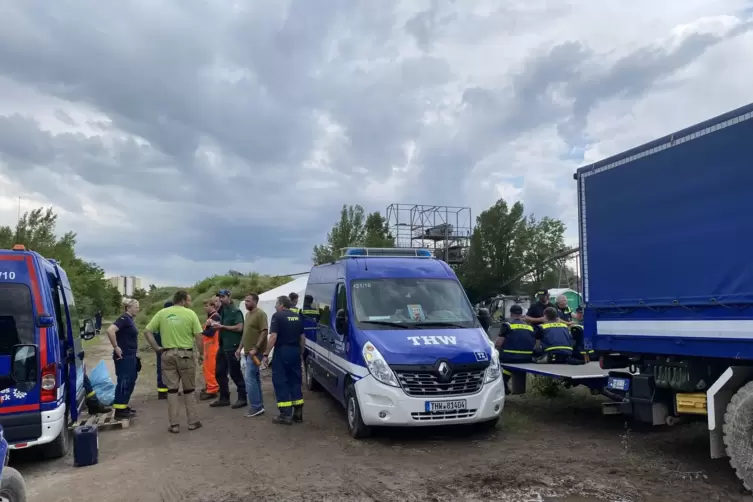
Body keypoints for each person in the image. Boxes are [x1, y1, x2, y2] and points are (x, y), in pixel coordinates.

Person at [144, 290, 205, 433]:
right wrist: (201, 354)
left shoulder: (162, 313)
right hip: (186, 355)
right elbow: (198, 336)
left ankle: (174, 425)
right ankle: (192, 422)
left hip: (167, 354)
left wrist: (157, 348)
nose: (190, 303)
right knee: (189, 390)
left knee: (171, 391)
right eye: (189, 300)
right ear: (183, 301)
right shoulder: (190, 314)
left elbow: (147, 331)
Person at [261, 295, 304, 425]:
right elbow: (302, 338)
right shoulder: (297, 316)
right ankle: (298, 413)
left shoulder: (277, 316)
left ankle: (285, 415)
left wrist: (266, 354)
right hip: (295, 351)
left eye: (276, 304)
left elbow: (273, 337)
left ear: (281, 305)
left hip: (282, 352)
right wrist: (300, 353)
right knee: (295, 380)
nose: (275, 306)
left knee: (281, 381)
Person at [209, 289, 247, 409]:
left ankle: (242, 398)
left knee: (235, 373)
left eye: (223, 296)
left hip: (233, 345)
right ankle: (224, 398)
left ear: (229, 296)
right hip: (223, 345)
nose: (221, 299)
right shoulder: (223, 310)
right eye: (220, 296)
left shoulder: (235, 311)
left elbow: (240, 328)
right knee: (219, 372)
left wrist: (222, 326)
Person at [106, 299, 141, 420]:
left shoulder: (130, 320)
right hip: (124, 356)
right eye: (136, 307)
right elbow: (110, 330)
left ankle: (123, 405)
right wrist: (116, 347)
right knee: (125, 380)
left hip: (131, 355)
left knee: (131, 379)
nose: (138, 309)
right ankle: (119, 410)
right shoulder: (124, 319)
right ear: (128, 308)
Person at [239, 293, 268, 417]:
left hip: (255, 352)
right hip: (247, 352)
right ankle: (259, 405)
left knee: (249, 379)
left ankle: (256, 406)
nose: (246, 303)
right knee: (254, 379)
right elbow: (245, 333)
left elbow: (264, 331)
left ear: (255, 301)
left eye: (248, 301)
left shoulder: (260, 314)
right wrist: (239, 348)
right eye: (245, 301)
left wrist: (256, 348)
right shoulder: (247, 315)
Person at [494, 305, 535, 394]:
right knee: (508, 369)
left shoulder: (507, 325)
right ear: (521, 314)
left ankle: (504, 388)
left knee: (497, 368)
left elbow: (498, 343)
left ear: (511, 313)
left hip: (510, 357)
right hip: (527, 358)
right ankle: (513, 390)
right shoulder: (530, 327)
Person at [200, 298, 221, 401]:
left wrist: (200, 330)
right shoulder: (212, 317)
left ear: (212, 306)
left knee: (210, 369)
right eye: (204, 306)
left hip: (212, 348)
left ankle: (212, 389)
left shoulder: (216, 317)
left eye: (206, 305)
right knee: (208, 368)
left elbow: (211, 333)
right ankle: (211, 386)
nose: (205, 308)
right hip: (209, 347)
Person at [153, 300, 173, 400]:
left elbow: (153, 332)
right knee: (170, 369)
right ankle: (167, 390)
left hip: (160, 348)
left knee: (161, 369)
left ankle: (162, 391)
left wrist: (156, 346)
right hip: (168, 347)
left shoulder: (159, 318)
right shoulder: (170, 319)